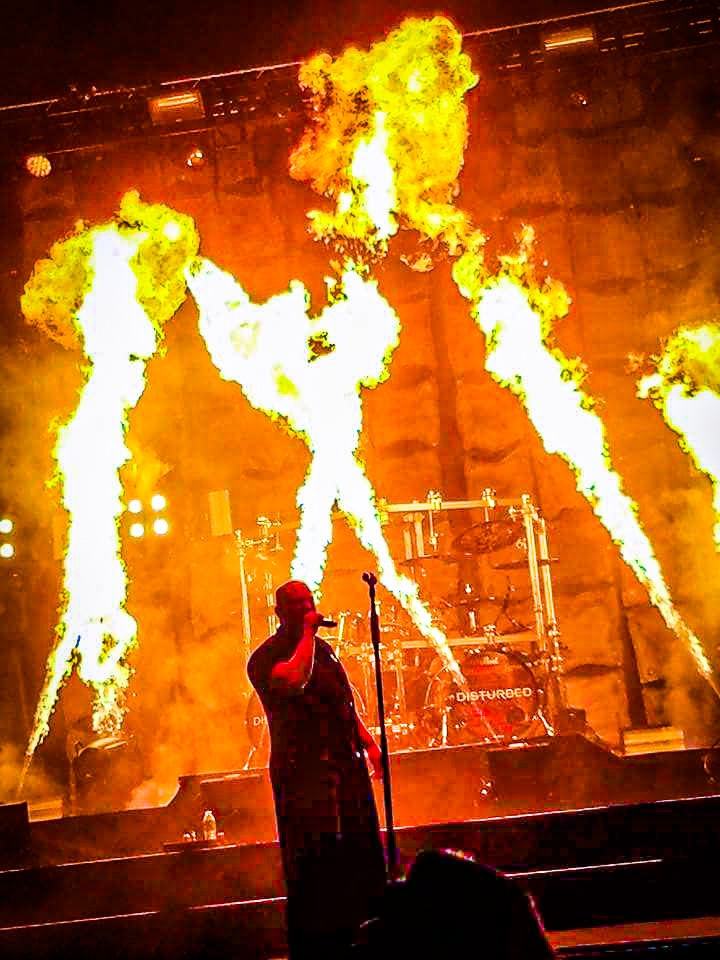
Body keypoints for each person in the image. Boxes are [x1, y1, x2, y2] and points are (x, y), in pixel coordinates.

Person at [247, 579, 388, 960]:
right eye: (296, 604)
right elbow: (294, 681)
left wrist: (369, 744)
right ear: (279, 613)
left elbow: (341, 703)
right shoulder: (265, 657)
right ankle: (320, 945)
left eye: (308, 601)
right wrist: (308, 635)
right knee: (316, 858)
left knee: (359, 850)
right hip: (302, 774)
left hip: (343, 765)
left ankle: (364, 933)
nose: (306, 609)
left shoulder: (323, 651)